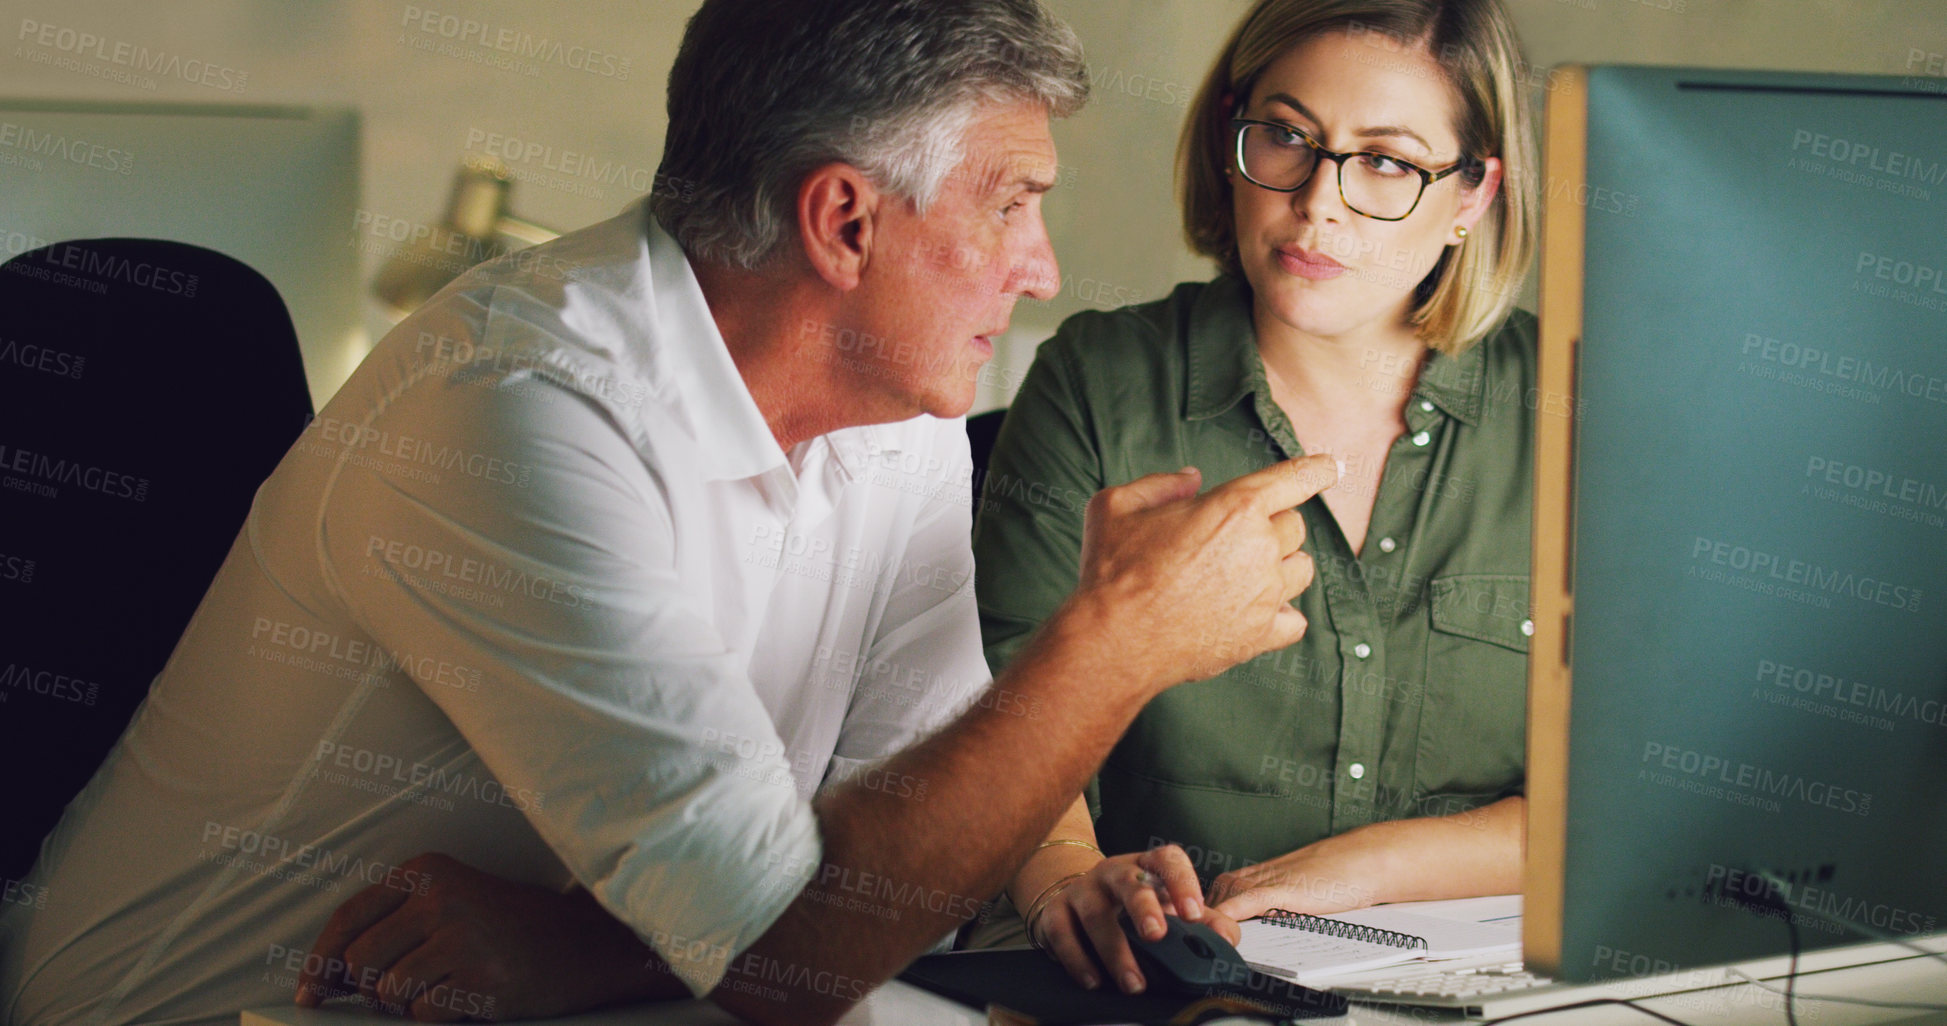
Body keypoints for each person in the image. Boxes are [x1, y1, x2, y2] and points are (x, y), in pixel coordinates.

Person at [0, 2, 1339, 1025]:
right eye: (1010, 208)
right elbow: (784, 955)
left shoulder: (903, 412)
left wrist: (590, 939)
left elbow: (906, 824)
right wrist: (1118, 638)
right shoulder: (518, 413)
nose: (1041, 269)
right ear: (843, 223)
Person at [970, 0, 1540, 995]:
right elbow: (1005, 710)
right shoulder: (1101, 383)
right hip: (1174, 989)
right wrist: (1066, 874)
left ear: (1473, 194)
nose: (1319, 201)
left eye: (1387, 162)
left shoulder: (1574, 406)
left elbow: (1636, 805)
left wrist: (1354, 870)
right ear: (1233, 135)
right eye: (1287, 135)